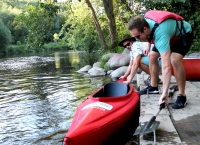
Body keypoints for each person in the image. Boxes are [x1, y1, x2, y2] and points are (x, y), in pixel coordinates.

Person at [127, 10, 194, 109]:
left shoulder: (161, 34)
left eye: (137, 36)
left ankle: (182, 96)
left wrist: (165, 92)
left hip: (183, 34)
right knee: (151, 55)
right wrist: (148, 45)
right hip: (168, 34)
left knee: (174, 60)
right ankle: (153, 87)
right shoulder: (144, 22)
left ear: (145, 29)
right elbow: (149, 34)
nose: (136, 39)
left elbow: (166, 67)